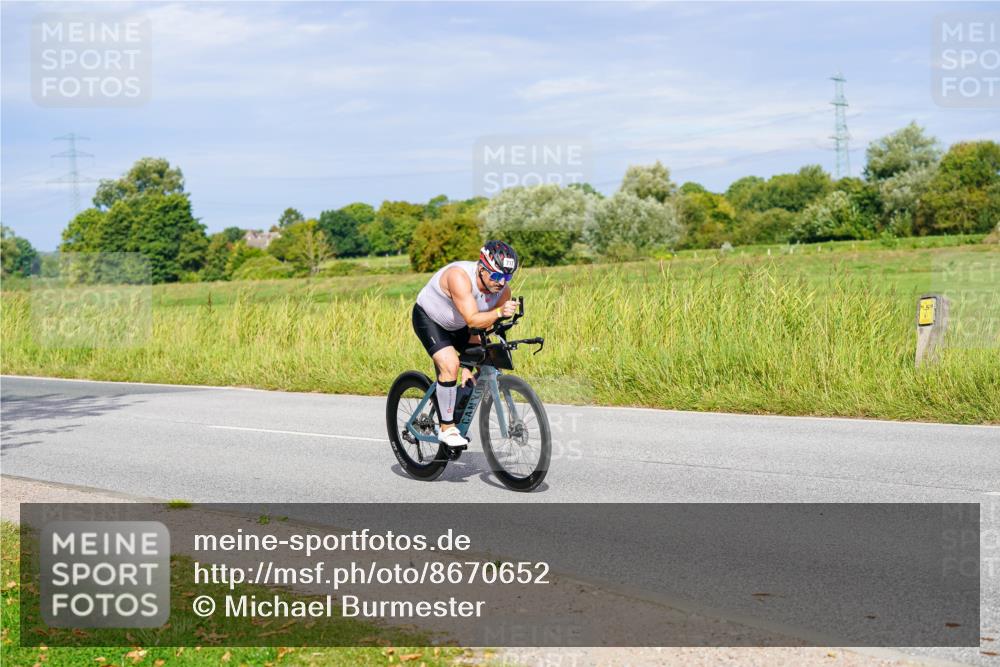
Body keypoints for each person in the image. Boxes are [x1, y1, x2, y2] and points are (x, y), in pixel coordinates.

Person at [412, 240, 520, 447]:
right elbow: (473, 319)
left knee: (489, 362)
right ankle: (447, 428)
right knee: (450, 364)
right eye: (496, 276)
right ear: (482, 268)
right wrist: (499, 312)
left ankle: (457, 408)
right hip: (431, 320)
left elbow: (481, 327)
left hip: (463, 325)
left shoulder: (503, 292)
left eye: (507, 277)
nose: (501, 282)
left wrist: (469, 365)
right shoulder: (459, 277)